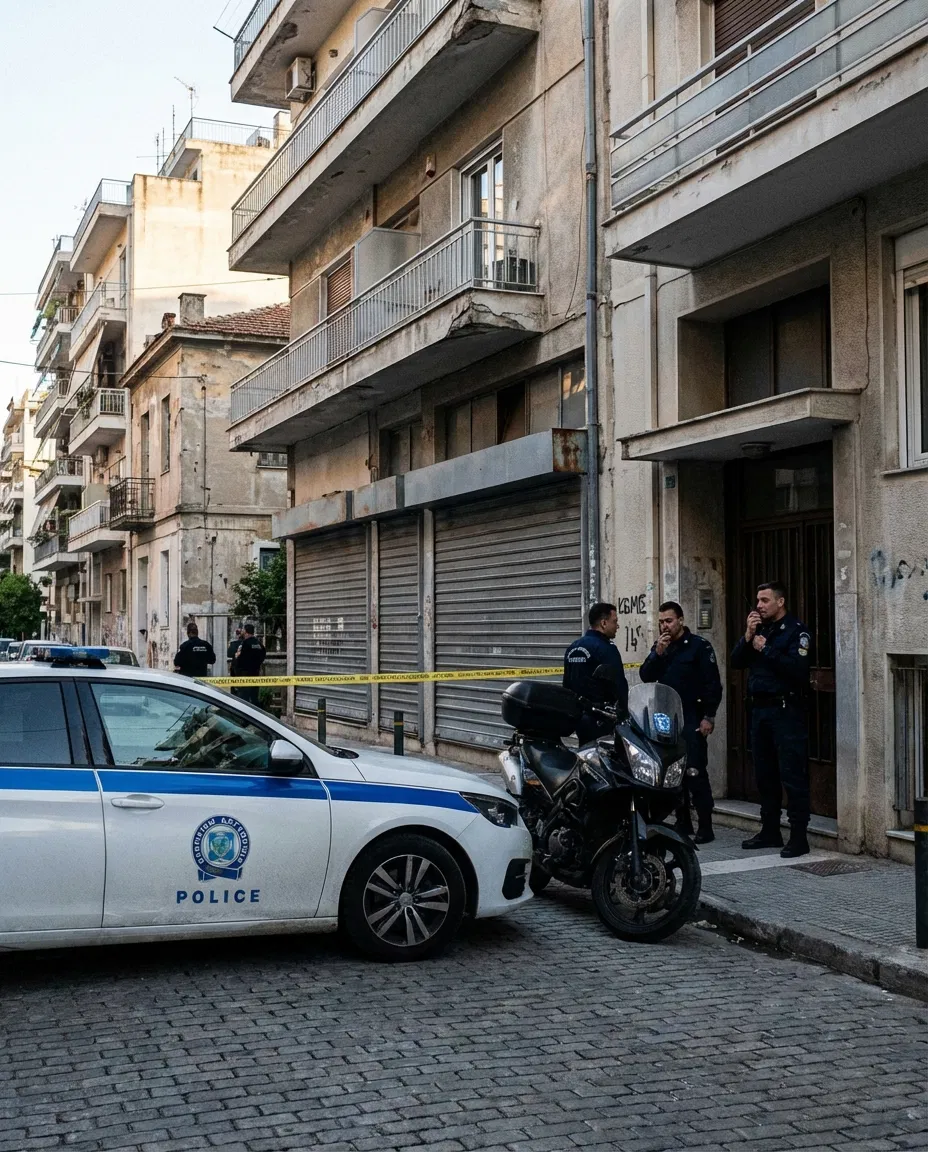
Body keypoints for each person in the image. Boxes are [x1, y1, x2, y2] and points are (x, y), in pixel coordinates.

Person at [731, 581, 812, 859]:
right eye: (757, 600)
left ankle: (799, 836)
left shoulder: (796, 631)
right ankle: (770, 830)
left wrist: (766, 649)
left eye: (765, 600)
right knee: (765, 774)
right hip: (760, 711)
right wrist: (748, 634)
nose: (759, 605)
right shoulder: (759, 629)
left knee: (792, 774)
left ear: (780, 602)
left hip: (786, 711)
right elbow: (736, 662)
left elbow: (798, 670)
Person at [639, 601, 722, 843]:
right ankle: (682, 820)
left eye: (669, 621)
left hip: (692, 716)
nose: (664, 626)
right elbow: (646, 675)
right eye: (661, 621)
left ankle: (705, 826)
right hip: (666, 719)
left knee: (695, 771)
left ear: (681, 620)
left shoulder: (699, 647)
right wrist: (657, 654)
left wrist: (709, 716)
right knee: (673, 773)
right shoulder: (661, 647)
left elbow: (712, 684)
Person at [563, 602, 629, 745]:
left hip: (579, 719)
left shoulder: (573, 647)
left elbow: (566, 685)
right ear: (604, 623)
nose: (617, 626)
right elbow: (619, 685)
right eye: (615, 621)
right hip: (602, 719)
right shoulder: (607, 649)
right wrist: (625, 714)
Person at [232, 623, 266, 706]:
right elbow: (263, 656)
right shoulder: (259, 644)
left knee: (244, 699)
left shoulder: (244, 644)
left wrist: (236, 670)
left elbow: (238, 658)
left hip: (244, 675)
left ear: (246, 632)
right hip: (255, 674)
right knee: (254, 697)